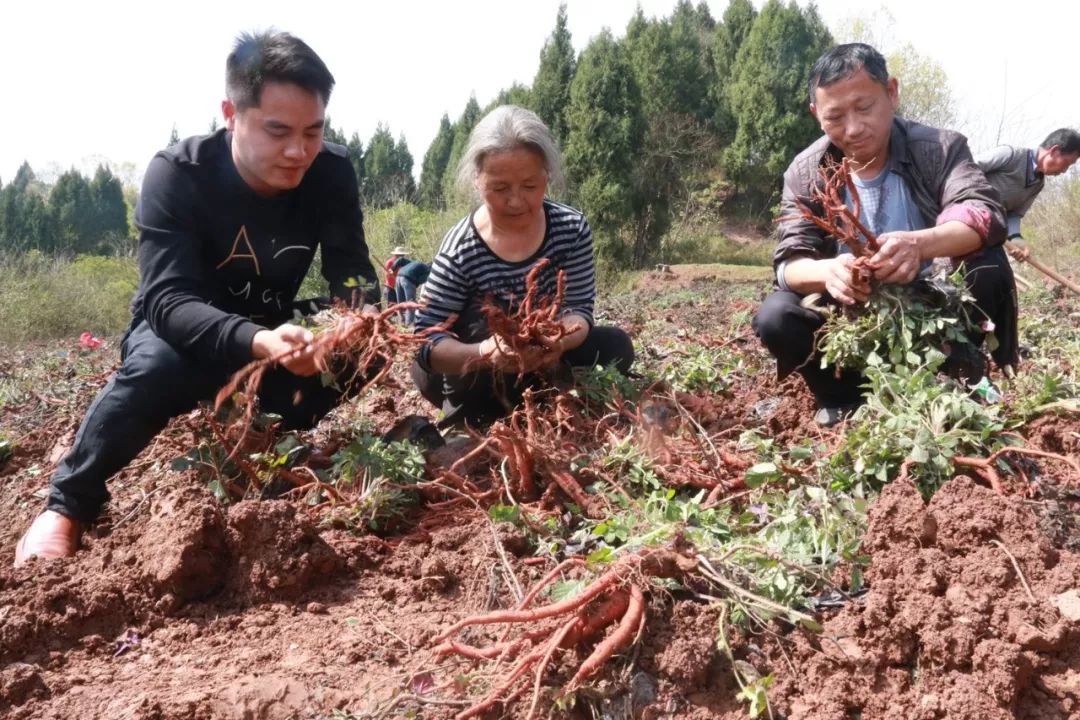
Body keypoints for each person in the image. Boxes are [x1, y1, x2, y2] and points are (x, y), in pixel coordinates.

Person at [14, 30, 381, 565]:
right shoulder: (178, 174)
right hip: (179, 332)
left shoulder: (330, 173)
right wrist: (257, 340)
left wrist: (357, 321)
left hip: (269, 326)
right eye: (277, 131)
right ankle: (67, 505)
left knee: (363, 348)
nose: (298, 150)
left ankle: (267, 439)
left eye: (313, 131)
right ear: (231, 112)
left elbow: (350, 271)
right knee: (159, 365)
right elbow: (169, 299)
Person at [752, 43, 1016, 427]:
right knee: (776, 314)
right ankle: (844, 399)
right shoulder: (806, 171)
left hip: (936, 313)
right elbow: (788, 264)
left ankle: (962, 376)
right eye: (836, 116)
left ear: (891, 93)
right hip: (854, 321)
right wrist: (830, 271)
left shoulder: (940, 148)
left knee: (989, 266)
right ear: (816, 115)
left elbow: (982, 214)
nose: (854, 128)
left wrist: (920, 244)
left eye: (864, 108)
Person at [409, 105, 634, 427]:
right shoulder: (459, 250)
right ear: (477, 180)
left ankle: (538, 391)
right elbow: (427, 343)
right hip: (478, 362)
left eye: (530, 186)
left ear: (547, 176)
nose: (516, 201)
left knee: (616, 346)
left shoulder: (571, 229)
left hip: (547, 354)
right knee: (475, 340)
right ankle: (490, 404)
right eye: (499, 188)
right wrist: (488, 352)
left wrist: (558, 340)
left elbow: (579, 309)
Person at [976, 129, 1080, 260]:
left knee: (1000, 275)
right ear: (1054, 151)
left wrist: (1015, 237)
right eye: (1066, 164)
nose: (1064, 171)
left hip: (987, 235)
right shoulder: (1010, 155)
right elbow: (965, 169)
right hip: (960, 220)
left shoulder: (1038, 184)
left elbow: (1014, 213)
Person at [394, 258, 431, 325]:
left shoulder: (415, 263)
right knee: (410, 303)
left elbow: (401, 259)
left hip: (398, 277)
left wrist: (392, 268)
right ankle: (409, 324)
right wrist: (414, 287)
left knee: (400, 303)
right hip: (408, 279)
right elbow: (421, 280)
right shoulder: (428, 270)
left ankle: (401, 322)